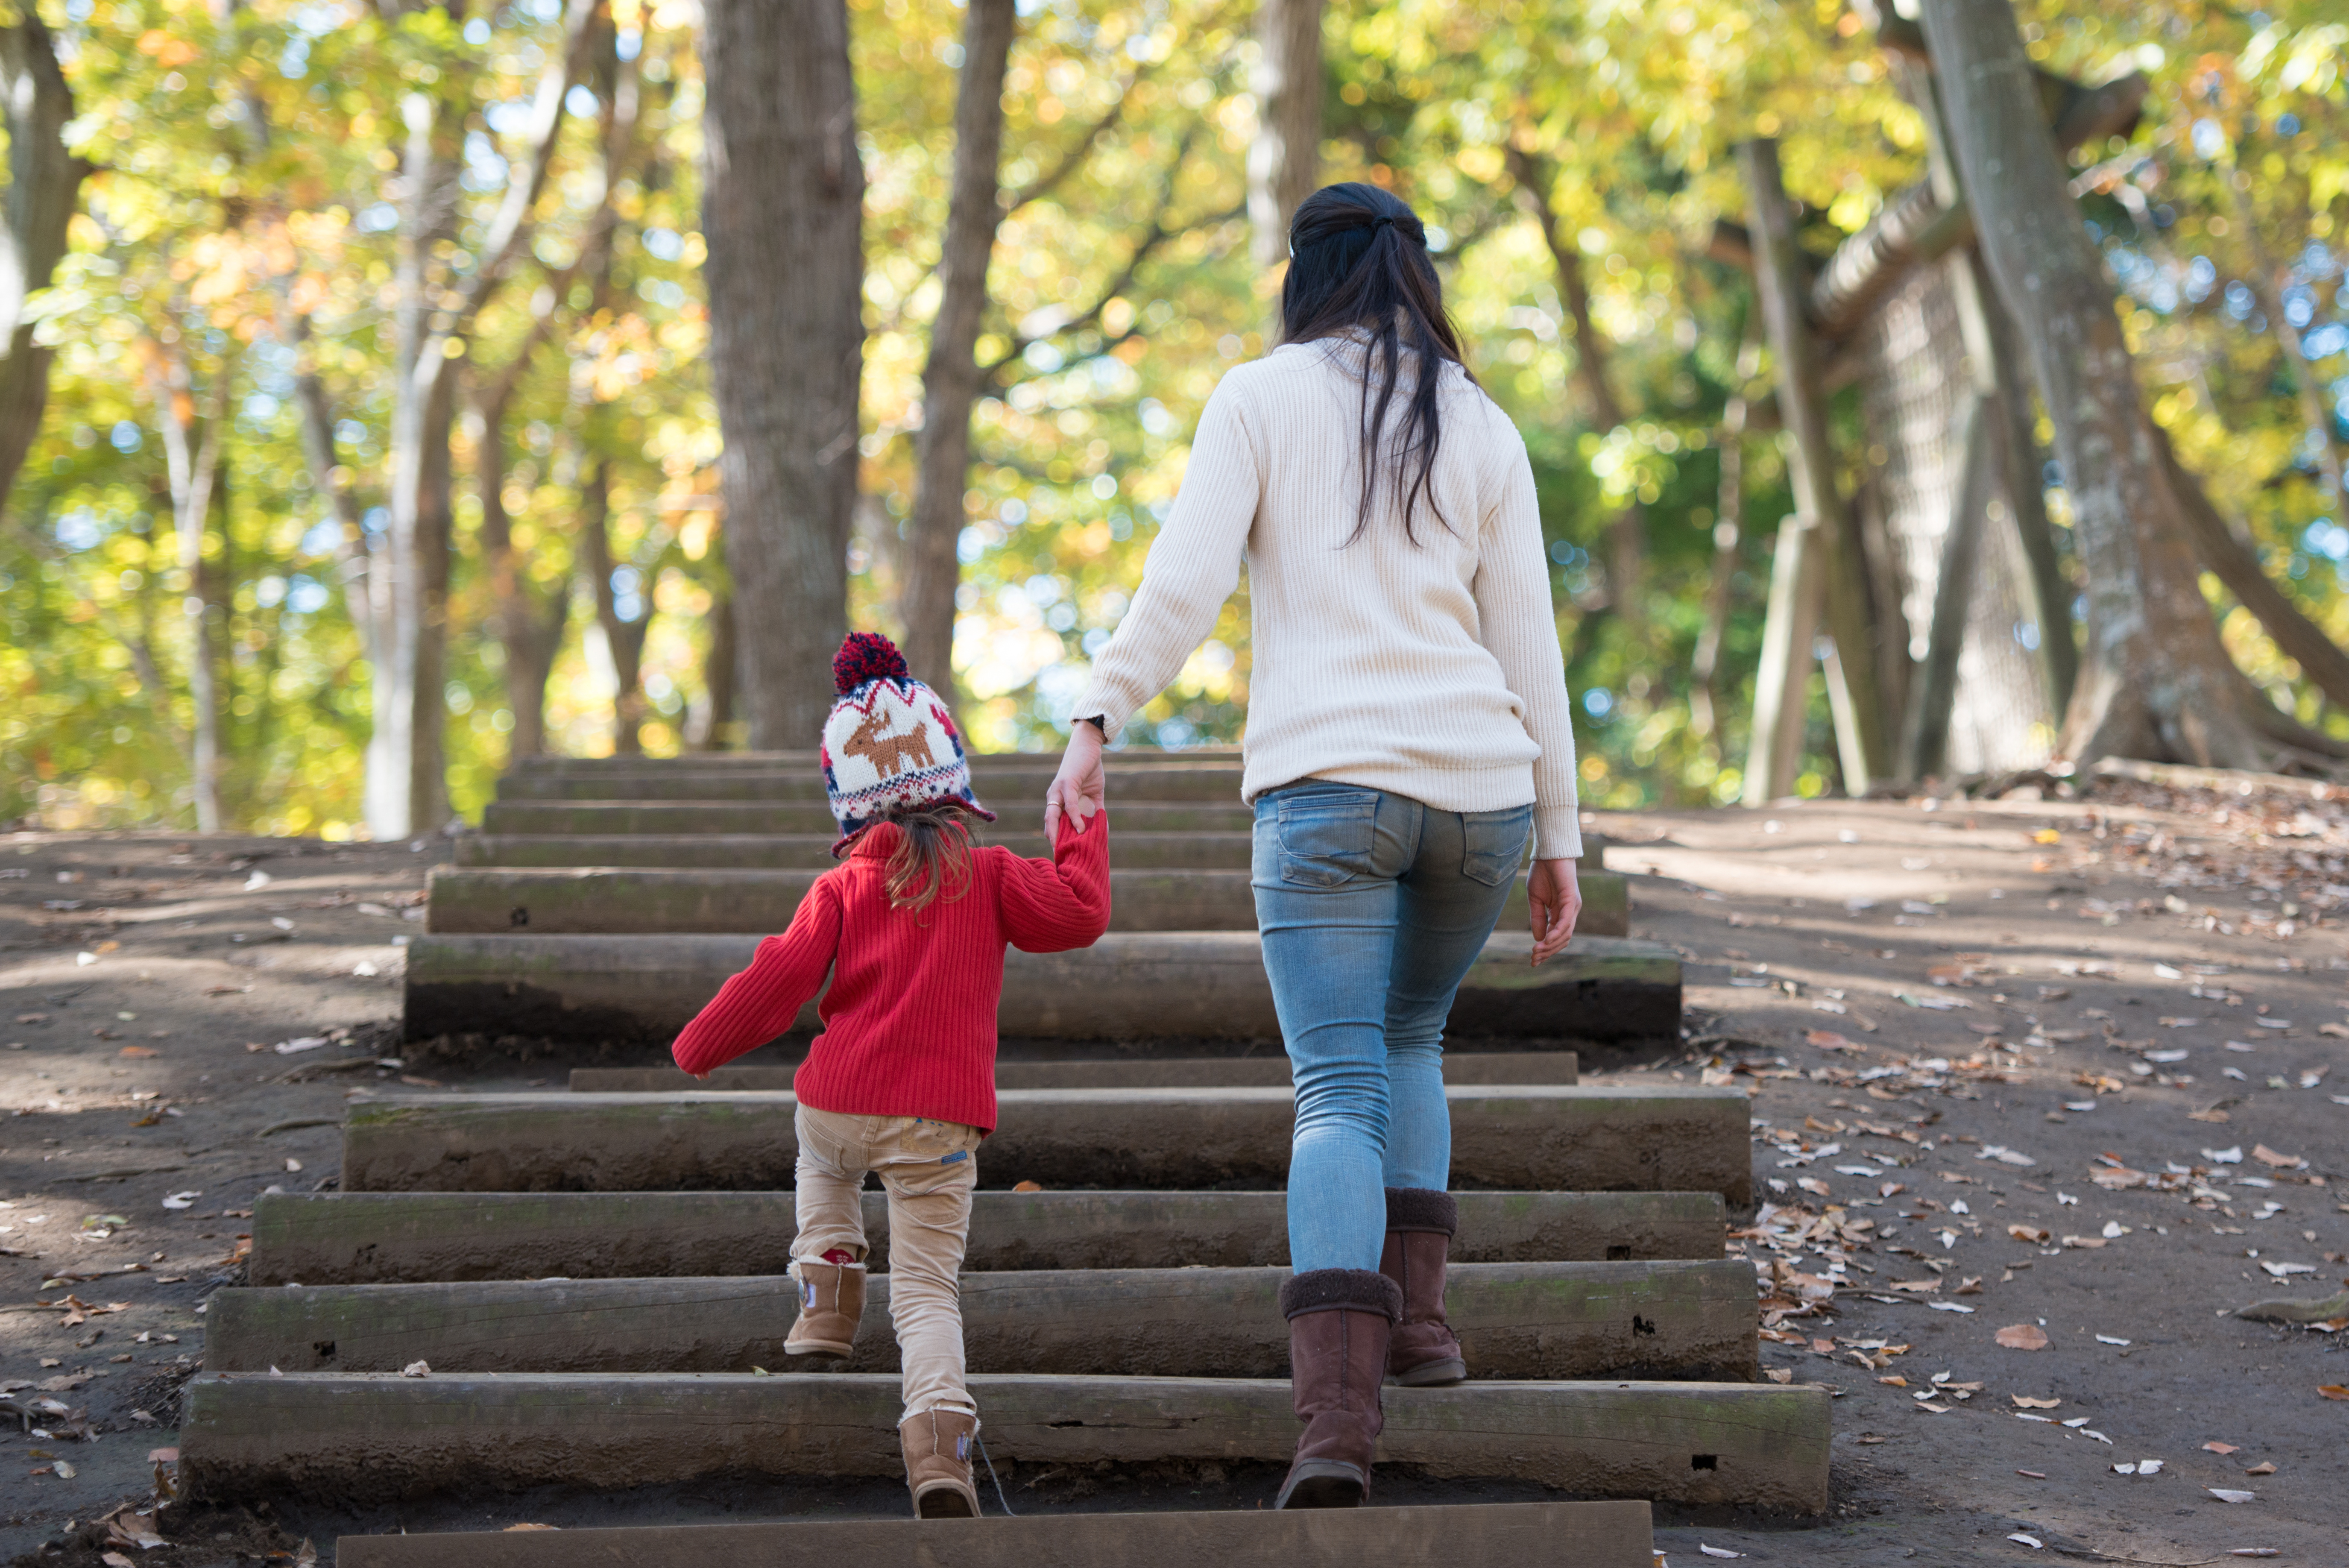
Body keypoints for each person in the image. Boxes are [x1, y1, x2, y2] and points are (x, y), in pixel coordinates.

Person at [1044, 182, 1583, 1509]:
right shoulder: (1483, 421)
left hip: (1327, 795)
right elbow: (1531, 649)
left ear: (1307, 277)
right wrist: (1559, 831)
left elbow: (1183, 577)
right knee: (1411, 1047)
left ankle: (1335, 1427)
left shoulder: (1260, 396)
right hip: (1479, 798)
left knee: (1337, 1089)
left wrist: (1097, 714)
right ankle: (1423, 1328)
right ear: (1412, 275)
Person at [672, 631, 1111, 1518]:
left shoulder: (838, 890)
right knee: (924, 1291)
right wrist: (1078, 825)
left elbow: (775, 982)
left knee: (820, 1161)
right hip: (939, 1127)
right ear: (953, 782)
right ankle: (939, 1444)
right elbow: (1079, 915)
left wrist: (698, 1047)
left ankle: (826, 1292)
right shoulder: (989, 875)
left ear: (849, 807)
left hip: (839, 1103)